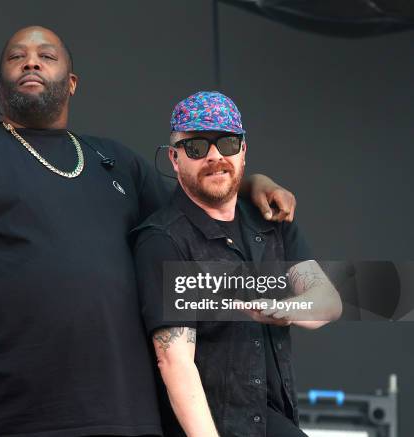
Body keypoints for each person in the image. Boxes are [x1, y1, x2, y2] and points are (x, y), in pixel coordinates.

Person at [0, 26, 298, 437]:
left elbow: (194, 191)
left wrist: (250, 181)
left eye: (47, 56)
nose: (31, 61)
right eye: (16, 56)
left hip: (119, 414)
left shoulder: (113, 160)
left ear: (72, 82)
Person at [133, 91, 342, 437]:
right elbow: (175, 362)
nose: (215, 157)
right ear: (174, 158)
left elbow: (328, 302)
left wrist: (284, 308)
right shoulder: (162, 240)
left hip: (275, 419)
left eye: (227, 143)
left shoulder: (271, 220)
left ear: (243, 151)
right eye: (197, 148)